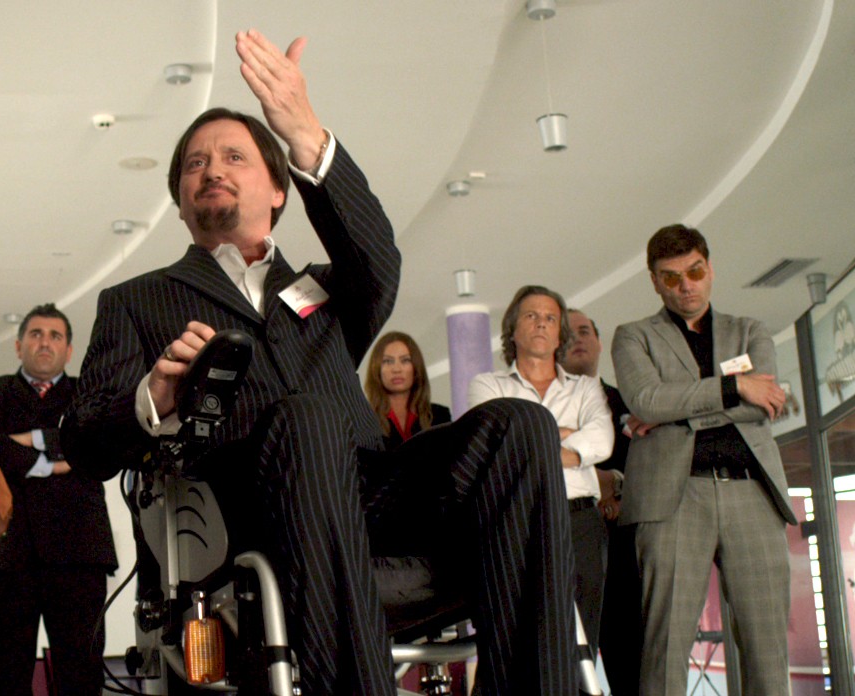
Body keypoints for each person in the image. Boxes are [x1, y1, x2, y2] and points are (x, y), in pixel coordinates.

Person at [62, 30, 576, 695]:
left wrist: (305, 134)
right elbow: (83, 440)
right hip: (248, 513)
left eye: (234, 157)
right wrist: (154, 398)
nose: (212, 169)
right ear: (182, 203)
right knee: (309, 418)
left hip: (372, 495)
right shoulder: (136, 301)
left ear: (280, 190)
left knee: (522, 424)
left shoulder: (329, 289)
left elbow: (380, 262)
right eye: (195, 164)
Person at [611, 224, 795, 696]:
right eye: (671, 277)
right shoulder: (633, 336)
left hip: (752, 494)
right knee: (666, 647)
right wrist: (734, 387)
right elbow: (647, 399)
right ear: (655, 281)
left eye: (694, 272)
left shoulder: (749, 330)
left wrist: (673, 412)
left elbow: (764, 406)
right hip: (672, 500)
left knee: (767, 650)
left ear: (710, 269)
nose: (685, 286)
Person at [0, 304, 116, 695]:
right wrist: (48, 463)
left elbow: (100, 443)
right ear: (18, 345)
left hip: (80, 554)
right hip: (6, 555)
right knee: (2, 675)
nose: (44, 342)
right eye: (35, 334)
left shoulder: (90, 393)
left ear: (69, 351)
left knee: (82, 673)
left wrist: (32, 439)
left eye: (55, 336)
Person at [468, 286, 613, 647]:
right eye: (531, 315)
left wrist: (528, 443)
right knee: (520, 639)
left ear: (559, 333)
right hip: (517, 521)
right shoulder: (487, 386)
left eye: (550, 318)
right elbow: (493, 451)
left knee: (582, 644)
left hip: (579, 522)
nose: (541, 324)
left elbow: (602, 442)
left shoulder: (586, 389)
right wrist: (564, 437)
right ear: (513, 329)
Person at [564, 307, 640, 695]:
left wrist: (619, 486)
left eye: (584, 331)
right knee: (574, 674)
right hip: (572, 556)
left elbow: (652, 468)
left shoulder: (632, 404)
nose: (577, 339)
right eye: (568, 334)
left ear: (598, 341)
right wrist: (597, 483)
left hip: (626, 554)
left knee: (634, 671)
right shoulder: (541, 412)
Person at [363, 331, 451, 449]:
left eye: (405, 360)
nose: (396, 369)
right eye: (388, 361)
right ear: (377, 369)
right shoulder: (364, 421)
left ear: (416, 368)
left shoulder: (440, 415)